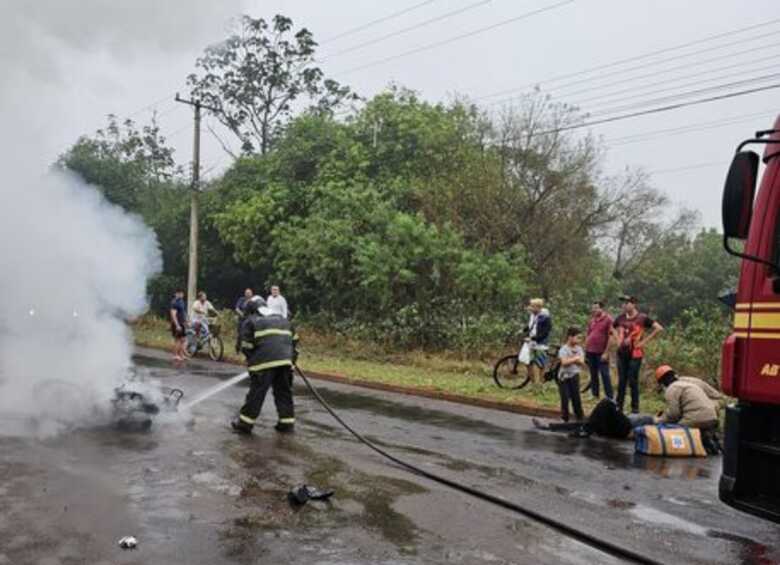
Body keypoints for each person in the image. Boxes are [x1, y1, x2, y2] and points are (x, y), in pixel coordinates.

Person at [231, 296, 298, 435]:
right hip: (285, 362)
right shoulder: (283, 319)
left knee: (256, 394)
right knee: (284, 393)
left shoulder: (251, 321)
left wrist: (252, 362)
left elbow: (246, 346)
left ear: (251, 310)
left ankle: (244, 424)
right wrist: (292, 360)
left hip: (263, 364)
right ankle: (286, 424)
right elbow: (295, 341)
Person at [612, 295, 663, 413]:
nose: (623, 305)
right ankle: (618, 407)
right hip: (622, 353)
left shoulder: (642, 318)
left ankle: (635, 409)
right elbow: (612, 328)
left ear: (634, 304)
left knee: (632, 380)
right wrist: (617, 340)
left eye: (626, 303)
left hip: (635, 353)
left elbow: (659, 328)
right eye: (623, 303)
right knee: (622, 381)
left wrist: (643, 342)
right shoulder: (620, 318)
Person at [654, 365, 723, 430]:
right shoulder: (688, 383)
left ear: (662, 383)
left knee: (672, 431)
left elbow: (673, 415)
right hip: (713, 416)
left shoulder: (672, 388)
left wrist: (657, 420)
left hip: (699, 417)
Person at [585, 301, 613, 399]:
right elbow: (588, 333)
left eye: (596, 308)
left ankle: (609, 396)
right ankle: (595, 394)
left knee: (605, 374)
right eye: (593, 308)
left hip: (601, 352)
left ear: (602, 308)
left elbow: (611, 336)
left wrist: (606, 352)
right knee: (593, 374)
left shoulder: (608, 319)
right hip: (590, 350)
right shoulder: (592, 320)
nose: (594, 310)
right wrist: (586, 346)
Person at [557, 327, 586, 422]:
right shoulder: (563, 349)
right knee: (565, 398)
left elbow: (582, 362)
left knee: (576, 398)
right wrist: (575, 359)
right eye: (578, 338)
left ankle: (580, 417)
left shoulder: (579, 349)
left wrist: (573, 359)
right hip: (564, 377)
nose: (579, 340)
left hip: (574, 375)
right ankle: (564, 418)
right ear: (570, 337)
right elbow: (564, 362)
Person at [523, 298, 552, 384]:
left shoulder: (545, 318)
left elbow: (545, 332)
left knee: (538, 364)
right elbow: (532, 326)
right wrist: (525, 330)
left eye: (532, 306)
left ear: (538, 307)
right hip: (533, 343)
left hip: (541, 344)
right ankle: (536, 384)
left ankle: (538, 384)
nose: (530, 308)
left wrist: (533, 338)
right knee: (531, 363)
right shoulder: (534, 315)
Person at [169, 289, 188, 361]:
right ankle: (175, 355)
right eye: (179, 293)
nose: (181, 295)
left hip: (182, 323)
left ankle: (181, 355)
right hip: (177, 324)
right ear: (176, 294)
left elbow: (183, 313)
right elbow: (173, 314)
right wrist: (177, 325)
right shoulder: (175, 302)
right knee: (178, 340)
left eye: (182, 293)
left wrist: (186, 321)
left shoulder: (181, 301)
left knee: (183, 339)